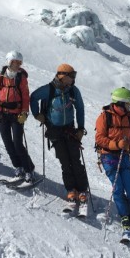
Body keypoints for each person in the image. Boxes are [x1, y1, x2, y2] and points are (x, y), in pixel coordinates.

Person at [30, 64, 88, 205]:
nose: (73, 79)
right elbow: (33, 97)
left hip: (70, 130)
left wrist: (80, 128)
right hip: (54, 130)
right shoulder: (49, 89)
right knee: (64, 161)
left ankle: (82, 190)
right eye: (71, 76)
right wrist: (37, 114)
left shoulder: (73, 91)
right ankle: (71, 189)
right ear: (62, 76)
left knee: (75, 159)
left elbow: (80, 108)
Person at [94, 87, 130, 243]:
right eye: (128, 103)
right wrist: (116, 144)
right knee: (118, 189)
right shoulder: (104, 117)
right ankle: (124, 217)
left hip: (124, 156)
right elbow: (99, 139)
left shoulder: (129, 118)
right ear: (120, 103)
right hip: (108, 156)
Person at [0, 51, 35, 182]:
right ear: (8, 62)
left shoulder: (21, 78)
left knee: (17, 143)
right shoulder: (1, 77)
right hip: (2, 114)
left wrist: (24, 112)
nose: (16, 64)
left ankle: (28, 169)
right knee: (8, 143)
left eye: (18, 62)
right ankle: (18, 167)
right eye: (14, 62)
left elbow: (26, 97)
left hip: (17, 115)